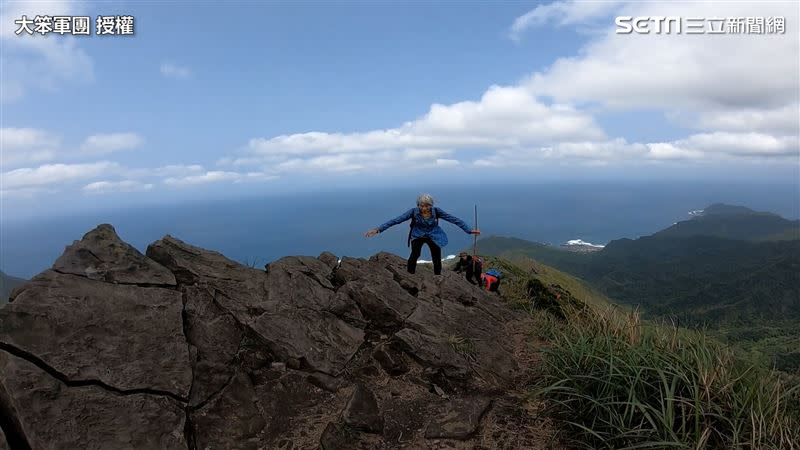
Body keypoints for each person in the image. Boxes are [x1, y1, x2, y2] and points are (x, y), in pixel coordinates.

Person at [364, 193, 480, 275]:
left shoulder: (436, 211)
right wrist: (378, 229)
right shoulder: (413, 212)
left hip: (433, 234)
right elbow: (396, 220)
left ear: (431, 205)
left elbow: (454, 219)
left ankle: (437, 276)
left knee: (436, 256)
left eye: (427, 205)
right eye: (422, 205)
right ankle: (410, 275)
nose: (424, 208)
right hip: (418, 235)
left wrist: (469, 230)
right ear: (418, 205)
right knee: (415, 254)